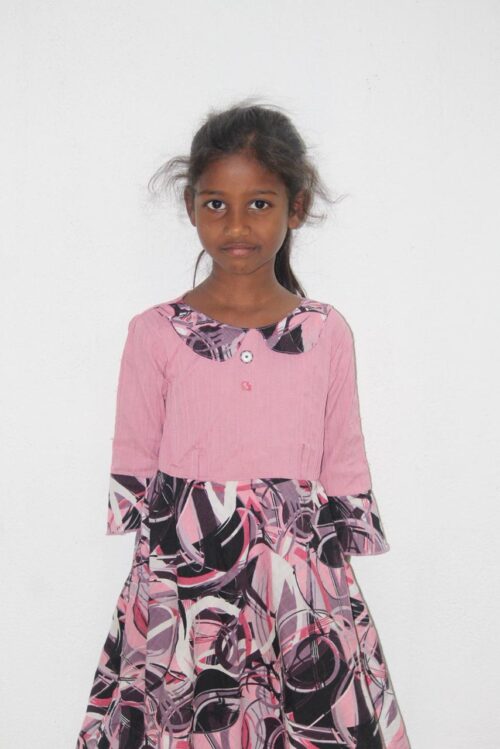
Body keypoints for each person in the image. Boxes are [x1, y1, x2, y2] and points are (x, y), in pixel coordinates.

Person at [76, 100, 411, 748]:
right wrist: (151, 568)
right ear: (191, 208)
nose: (236, 224)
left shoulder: (324, 332)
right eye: (215, 204)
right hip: (186, 578)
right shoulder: (155, 332)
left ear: (296, 207)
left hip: (298, 579)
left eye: (259, 203)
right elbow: (137, 458)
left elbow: (343, 454)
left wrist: (342, 554)